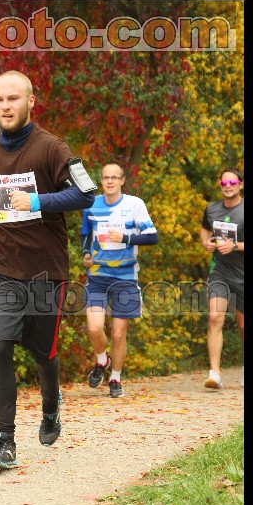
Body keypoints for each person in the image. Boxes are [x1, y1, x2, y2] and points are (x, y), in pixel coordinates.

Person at [0, 70, 96, 469]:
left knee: (44, 354)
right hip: (1, 267)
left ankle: (51, 407)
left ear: (31, 101)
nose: (6, 107)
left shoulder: (52, 148)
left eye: (14, 99)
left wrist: (38, 201)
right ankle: (4, 441)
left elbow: (86, 193)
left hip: (45, 271)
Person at [80, 163, 158, 398]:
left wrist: (125, 237)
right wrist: (86, 254)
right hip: (97, 276)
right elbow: (85, 235)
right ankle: (101, 360)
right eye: (106, 178)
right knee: (94, 328)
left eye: (114, 177)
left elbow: (152, 237)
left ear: (123, 180)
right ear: (101, 181)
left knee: (117, 334)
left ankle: (115, 378)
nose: (110, 181)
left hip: (125, 277)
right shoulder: (91, 205)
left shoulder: (134, 204)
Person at [200, 167, 244, 390]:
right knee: (215, 317)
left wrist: (235, 246)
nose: (228, 187)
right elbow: (204, 229)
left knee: (243, 325)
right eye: (224, 183)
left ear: (241, 185)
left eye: (232, 183)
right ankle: (215, 373)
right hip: (220, 272)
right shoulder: (212, 208)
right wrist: (206, 242)